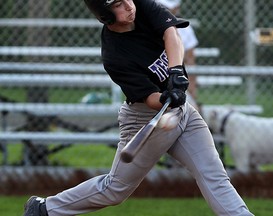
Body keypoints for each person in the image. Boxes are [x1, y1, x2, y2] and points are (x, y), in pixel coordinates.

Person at [24, 0, 254, 215]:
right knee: (115, 189)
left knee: (214, 175)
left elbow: (171, 33)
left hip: (183, 113)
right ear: (104, 15)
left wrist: (175, 71)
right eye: (118, 5)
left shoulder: (142, 6)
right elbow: (149, 98)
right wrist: (166, 97)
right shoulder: (115, 56)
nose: (129, 6)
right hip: (146, 118)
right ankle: (46, 209)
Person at [157, 0, 199, 110]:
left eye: (167, 7)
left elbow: (190, 61)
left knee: (191, 111)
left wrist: (192, 93)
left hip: (176, 81)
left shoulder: (185, 29)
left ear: (177, 8)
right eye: (161, 6)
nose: (164, 9)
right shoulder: (147, 24)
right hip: (154, 79)